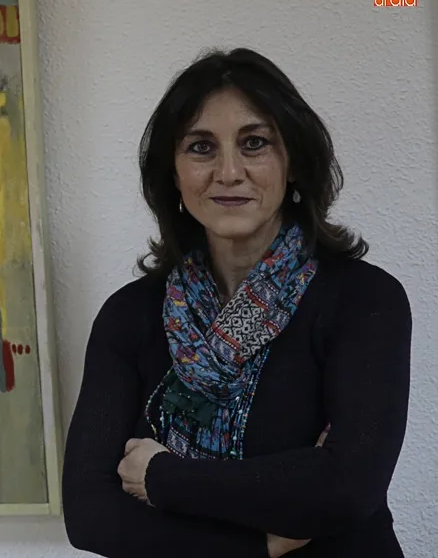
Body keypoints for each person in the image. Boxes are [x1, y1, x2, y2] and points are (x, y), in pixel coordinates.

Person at [61, 47, 412, 558]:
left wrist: (160, 476)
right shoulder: (129, 316)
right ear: (173, 173)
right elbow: (89, 515)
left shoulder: (363, 300)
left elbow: (346, 489)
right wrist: (263, 544)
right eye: (201, 147)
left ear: (294, 162)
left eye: (254, 143)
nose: (228, 171)